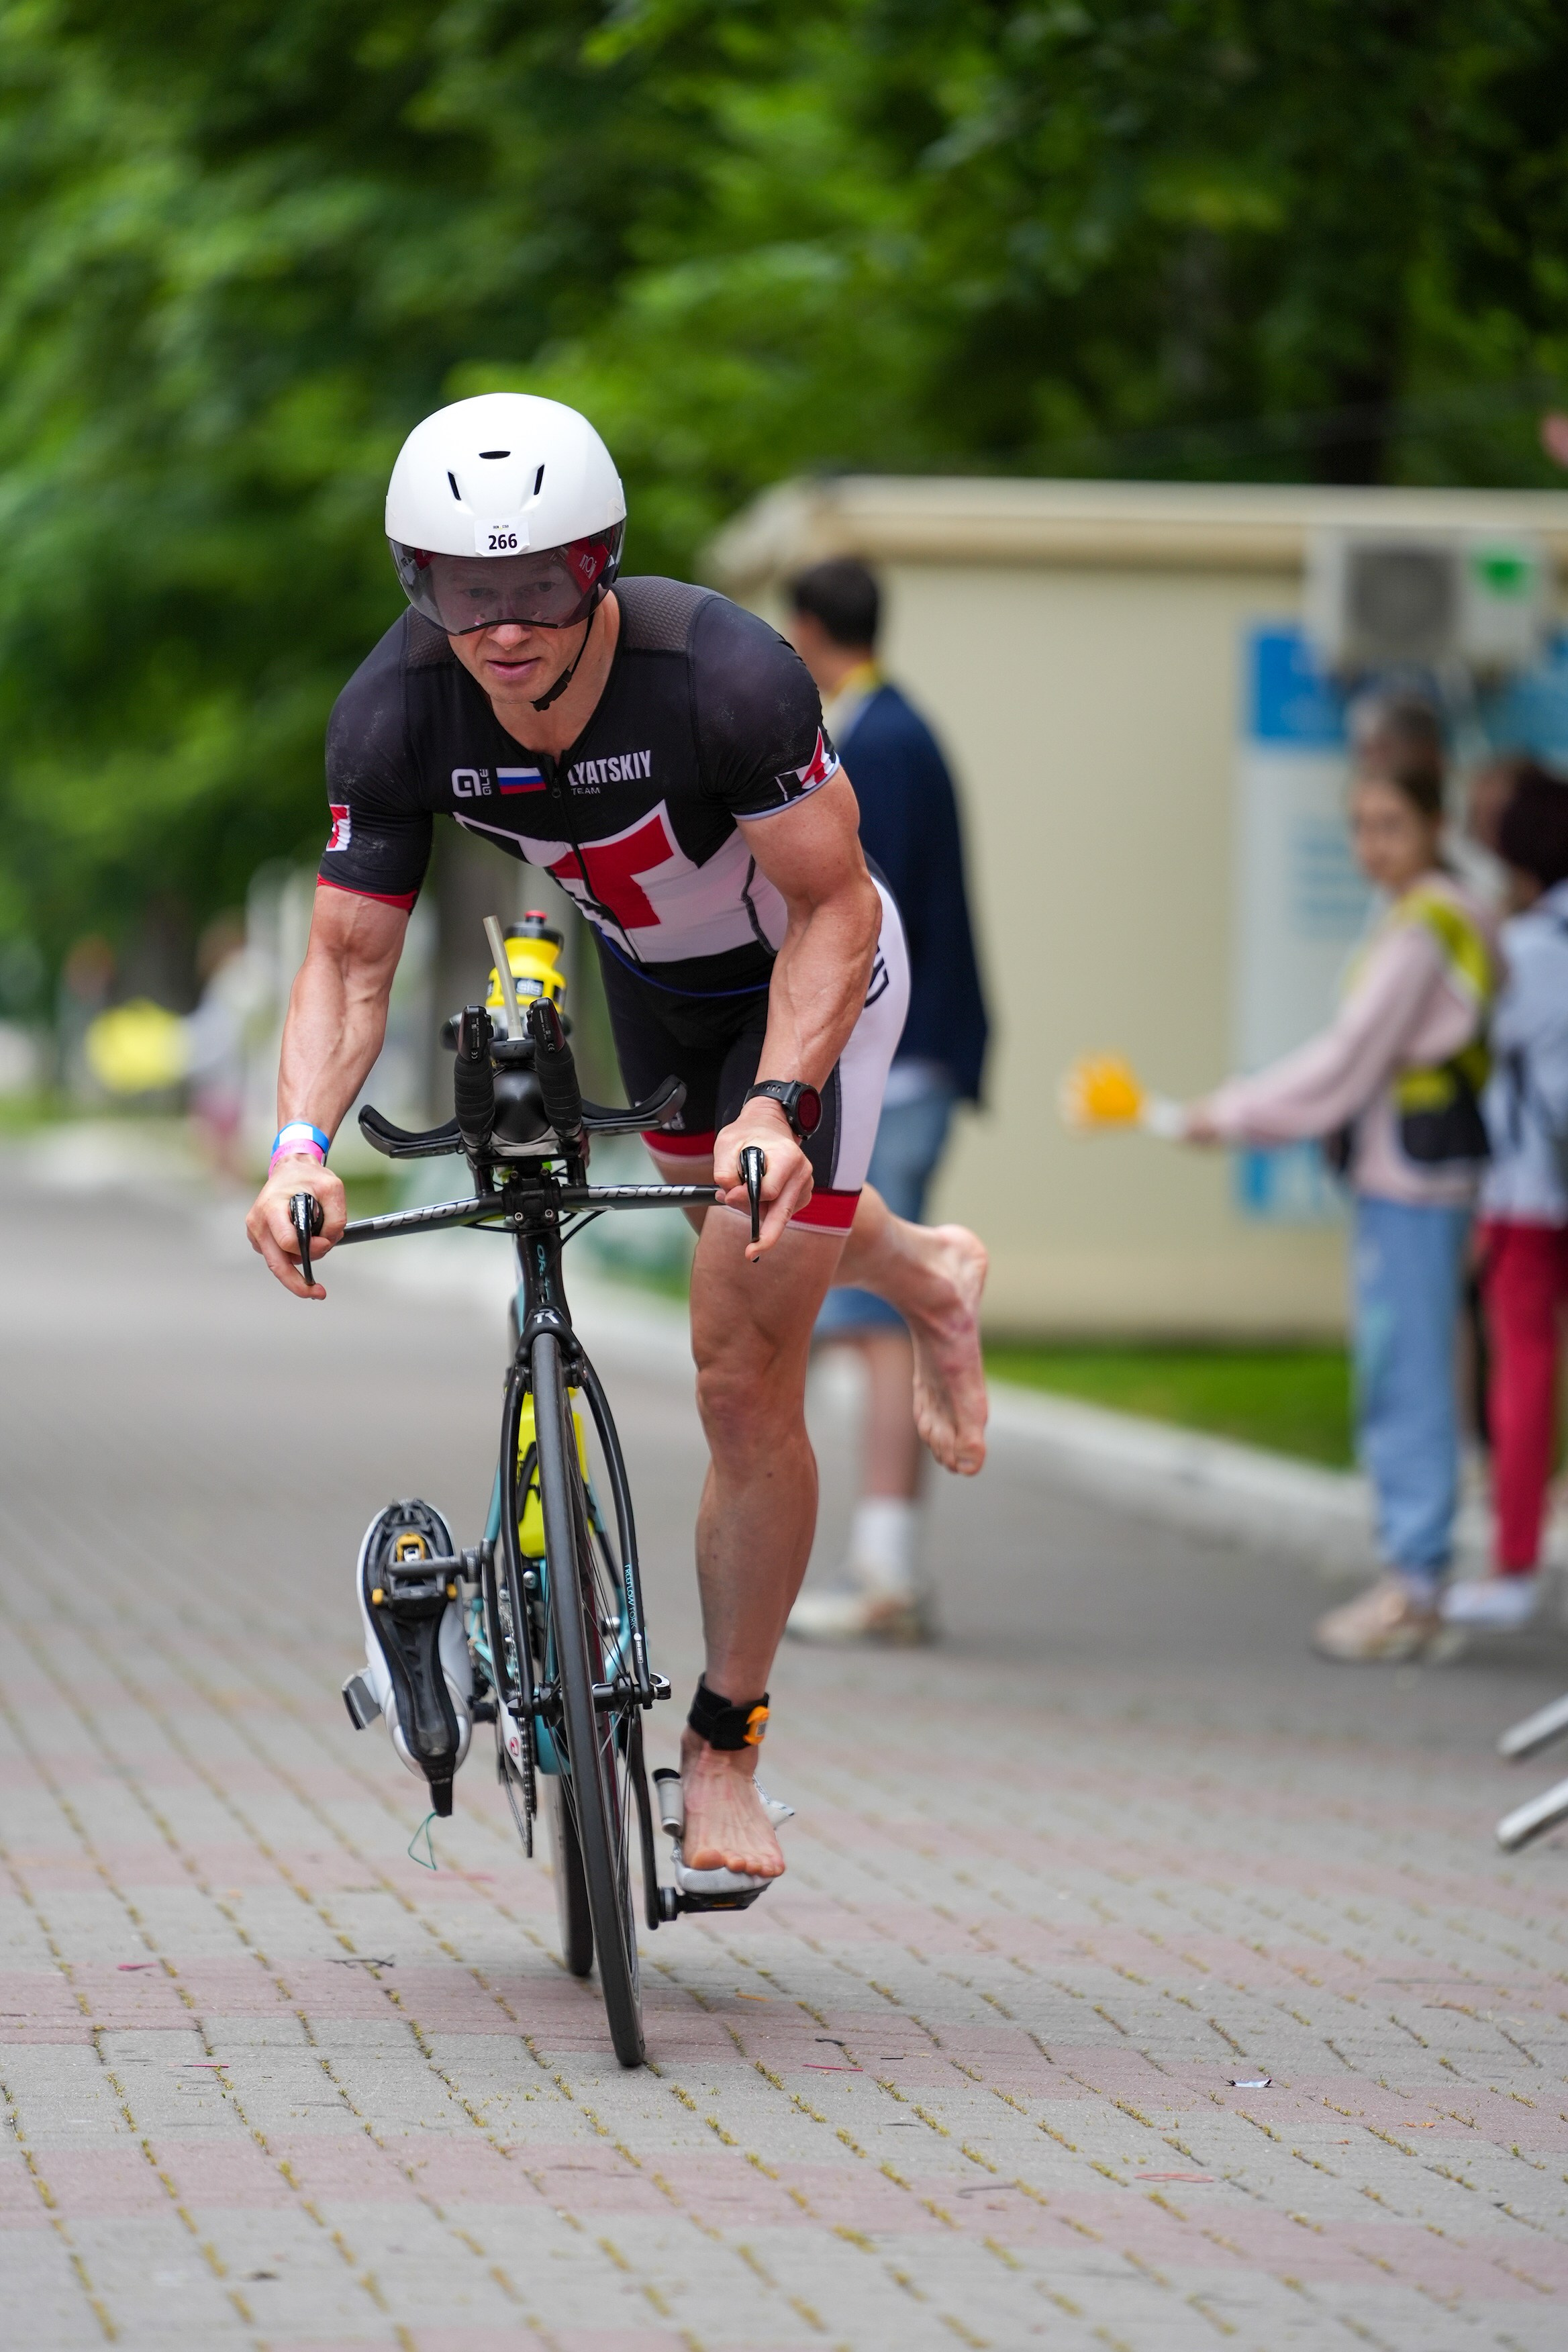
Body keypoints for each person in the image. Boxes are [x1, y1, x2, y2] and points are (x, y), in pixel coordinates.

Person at [245, 392, 988, 1883]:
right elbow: (346, 959)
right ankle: (926, 1270)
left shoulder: (725, 675)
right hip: (650, 988)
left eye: (538, 587)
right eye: (466, 590)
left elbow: (836, 907)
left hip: (815, 979)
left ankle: (723, 1746)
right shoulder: (396, 709)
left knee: (736, 1359)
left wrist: (780, 1102)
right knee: (723, 1208)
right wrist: (300, 1147)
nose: (505, 627)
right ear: (419, 583)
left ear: (599, 567)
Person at [1182, 709, 1498, 1662]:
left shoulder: (1424, 927)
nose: (1371, 845)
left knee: (1405, 1377)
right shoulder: (1431, 914)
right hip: (1418, 1171)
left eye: (1390, 825)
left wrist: (1233, 1114)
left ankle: (1415, 1587)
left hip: (1413, 1178)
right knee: (1416, 1368)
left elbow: (1349, 1064)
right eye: (1360, 825)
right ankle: (1418, 1575)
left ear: (1434, 825)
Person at [780, 557, 988, 1641]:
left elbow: (856, 915)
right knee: (858, 1295)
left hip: (889, 1064)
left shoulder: (878, 748)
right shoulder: (903, 731)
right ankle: (882, 1558)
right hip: (908, 1061)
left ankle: (888, 1568)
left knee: (869, 1301)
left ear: (811, 630)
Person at [1445, 766, 1568, 1629]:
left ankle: (1514, 1567)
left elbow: (1464, 1035)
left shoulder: (1519, 952)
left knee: (1521, 1370)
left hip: (1525, 1192)